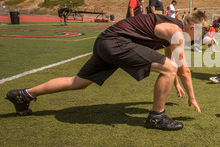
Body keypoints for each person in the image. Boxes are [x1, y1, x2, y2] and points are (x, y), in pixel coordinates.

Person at [5, 11, 209, 131]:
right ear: (192, 28)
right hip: (116, 43)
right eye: (200, 34)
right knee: (170, 68)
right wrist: (192, 97)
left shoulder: (171, 27)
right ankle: (157, 116)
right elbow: (183, 70)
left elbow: (171, 61)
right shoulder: (177, 33)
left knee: (78, 82)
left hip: (105, 41)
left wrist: (174, 82)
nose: (198, 39)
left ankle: (24, 95)